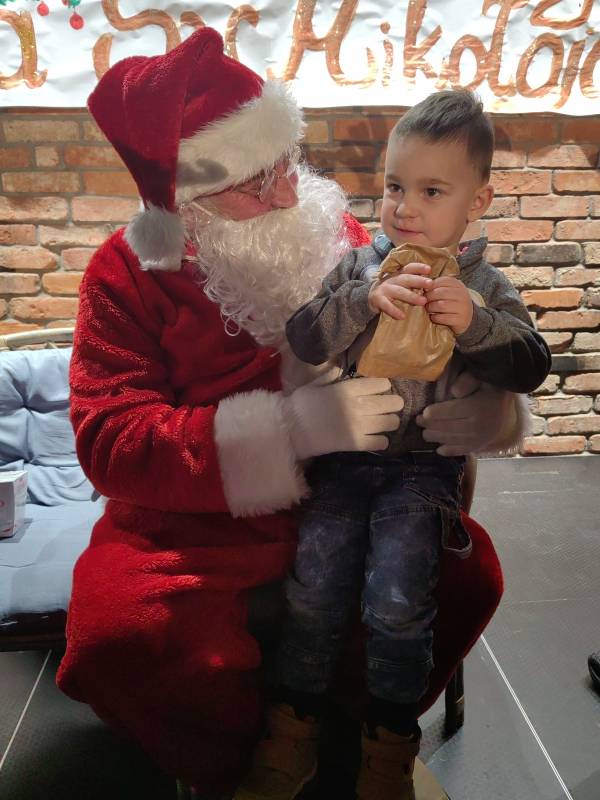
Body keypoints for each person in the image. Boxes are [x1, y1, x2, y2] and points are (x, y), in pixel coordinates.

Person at [56, 30, 529, 797]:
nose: (285, 195)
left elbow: (441, 349)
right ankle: (236, 764)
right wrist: (293, 432)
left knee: (467, 575)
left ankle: (355, 733)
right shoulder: (125, 274)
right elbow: (111, 442)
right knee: (125, 637)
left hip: (355, 488)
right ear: (183, 202)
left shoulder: (339, 233)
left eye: (286, 162)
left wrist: (488, 413)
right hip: (197, 520)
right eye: (253, 183)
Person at [233, 89, 552, 800]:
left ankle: (388, 748)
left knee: (399, 601)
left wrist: (475, 322)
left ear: (477, 201)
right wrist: (361, 299)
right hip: (343, 460)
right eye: (394, 186)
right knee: (313, 588)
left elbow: (532, 364)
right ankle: (293, 731)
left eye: (432, 191)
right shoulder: (358, 266)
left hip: (423, 472)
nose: (405, 207)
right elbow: (304, 336)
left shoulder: (485, 283)